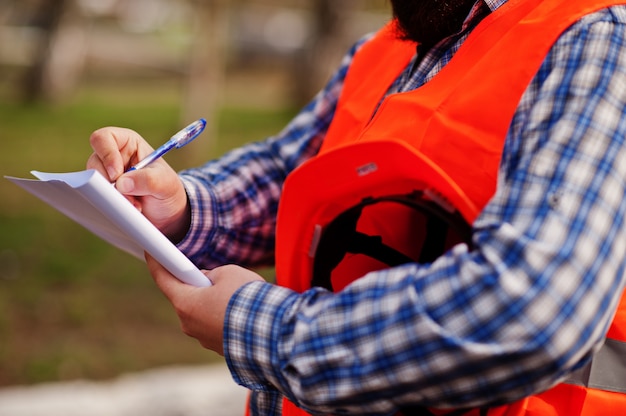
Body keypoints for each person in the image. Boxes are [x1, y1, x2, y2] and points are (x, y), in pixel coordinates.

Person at [87, 0, 626, 414]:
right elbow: (290, 170)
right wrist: (178, 204)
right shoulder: (391, 45)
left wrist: (259, 327)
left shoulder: (601, 38)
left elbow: (530, 310)